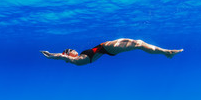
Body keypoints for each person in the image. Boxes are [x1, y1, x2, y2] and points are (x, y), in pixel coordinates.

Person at [40, 38, 183, 66]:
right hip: (107, 48)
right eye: (70, 50)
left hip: (106, 48)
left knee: (139, 42)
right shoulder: (76, 60)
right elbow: (61, 56)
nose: (73, 49)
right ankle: (167, 52)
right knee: (139, 44)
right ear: (68, 54)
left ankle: (166, 52)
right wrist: (51, 55)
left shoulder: (79, 57)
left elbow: (63, 56)